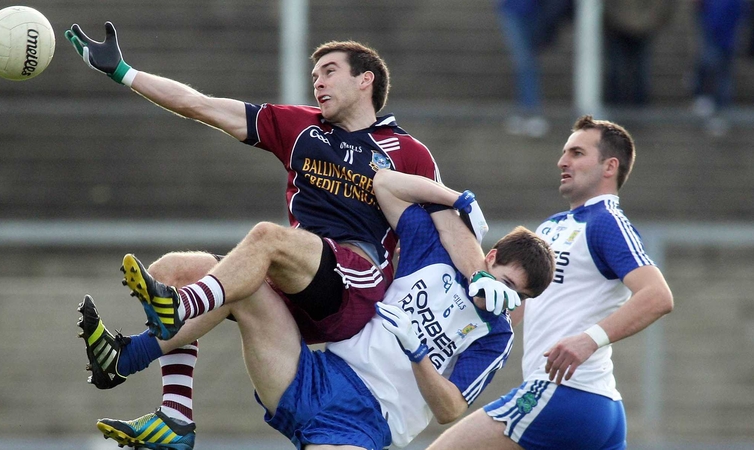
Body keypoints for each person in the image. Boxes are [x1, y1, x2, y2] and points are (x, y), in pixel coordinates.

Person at [65, 21, 454, 446]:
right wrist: (123, 71)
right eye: (314, 77)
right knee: (175, 268)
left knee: (267, 239)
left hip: (354, 284)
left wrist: (483, 282)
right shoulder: (300, 127)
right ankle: (174, 417)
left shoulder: (409, 153)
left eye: (329, 71)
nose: (318, 83)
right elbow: (200, 105)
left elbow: (445, 231)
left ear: (366, 80)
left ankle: (147, 339)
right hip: (296, 278)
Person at [81, 168, 556, 449]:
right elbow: (386, 184)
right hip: (315, 372)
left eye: (518, 295)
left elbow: (451, 409)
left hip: (368, 421)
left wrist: (418, 356)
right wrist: (454, 199)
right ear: (490, 256)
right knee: (206, 271)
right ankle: (140, 375)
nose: (505, 296)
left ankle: (137, 367)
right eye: (504, 280)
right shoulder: (436, 252)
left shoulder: (496, 334)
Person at [426, 115, 674, 450]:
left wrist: (589, 340)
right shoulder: (553, 227)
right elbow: (515, 306)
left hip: (564, 393)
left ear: (609, 166)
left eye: (577, 153)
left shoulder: (606, 221)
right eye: (564, 152)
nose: (563, 161)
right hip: (593, 408)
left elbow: (658, 295)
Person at [495, 0, 572, 138]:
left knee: (527, 62)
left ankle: (528, 110)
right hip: (513, 10)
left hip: (535, 10)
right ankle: (529, 110)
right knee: (524, 62)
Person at [604, 0, 676, 106]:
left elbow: (660, 6)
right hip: (618, 28)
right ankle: (617, 103)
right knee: (617, 69)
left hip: (642, 29)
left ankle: (639, 103)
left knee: (641, 70)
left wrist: (646, 22)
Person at [690, 0, 747, 136]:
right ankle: (709, 101)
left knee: (719, 73)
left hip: (723, 38)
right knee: (714, 69)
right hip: (719, 37)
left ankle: (719, 109)